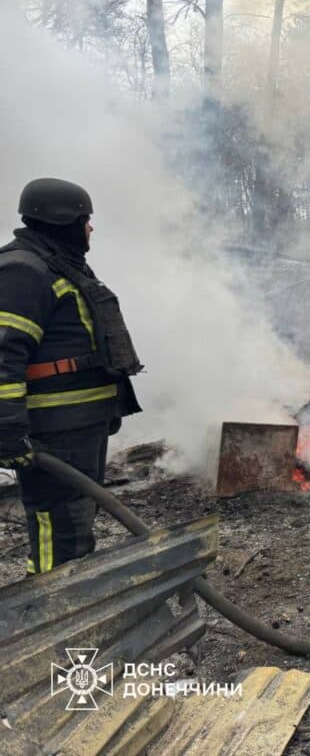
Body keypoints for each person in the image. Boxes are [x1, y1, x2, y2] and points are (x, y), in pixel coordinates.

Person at [0, 178, 143, 575]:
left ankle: (72, 608)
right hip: (53, 433)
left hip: (76, 429)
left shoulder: (56, 265)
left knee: (75, 529)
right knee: (59, 537)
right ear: (64, 220)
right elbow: (3, 354)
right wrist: (9, 429)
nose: (90, 228)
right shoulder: (22, 271)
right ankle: (50, 622)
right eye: (86, 219)